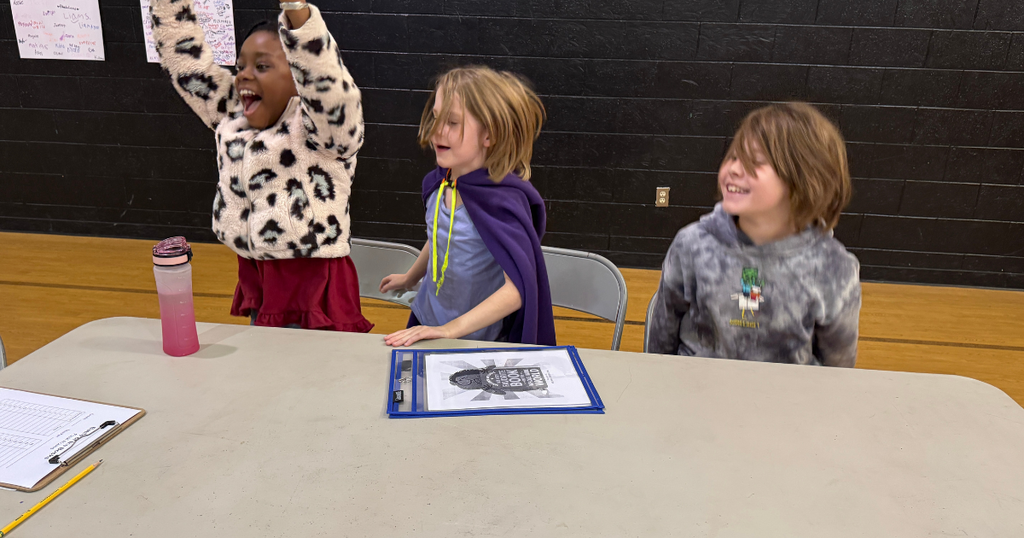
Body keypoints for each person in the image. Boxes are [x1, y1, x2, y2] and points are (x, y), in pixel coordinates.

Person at [149, 0, 372, 331]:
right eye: (240, 66)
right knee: (268, 371)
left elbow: (329, 83)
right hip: (257, 273)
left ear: (299, 78)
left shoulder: (323, 130)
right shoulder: (234, 116)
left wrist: (297, 12)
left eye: (263, 66)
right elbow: (186, 65)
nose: (244, 75)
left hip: (310, 283)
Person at [647, 102, 860, 366]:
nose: (734, 169)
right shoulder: (692, 245)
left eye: (755, 163)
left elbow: (837, 369)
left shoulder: (835, 268)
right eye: (734, 157)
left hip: (785, 403)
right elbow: (660, 343)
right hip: (696, 399)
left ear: (804, 180)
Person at [379, 66, 555, 347]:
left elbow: (517, 290)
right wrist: (411, 277)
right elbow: (439, 235)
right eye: (436, 117)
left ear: (490, 134)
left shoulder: (501, 203)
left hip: (475, 339)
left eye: (452, 122)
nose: (436, 130)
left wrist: (451, 329)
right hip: (430, 322)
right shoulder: (441, 183)